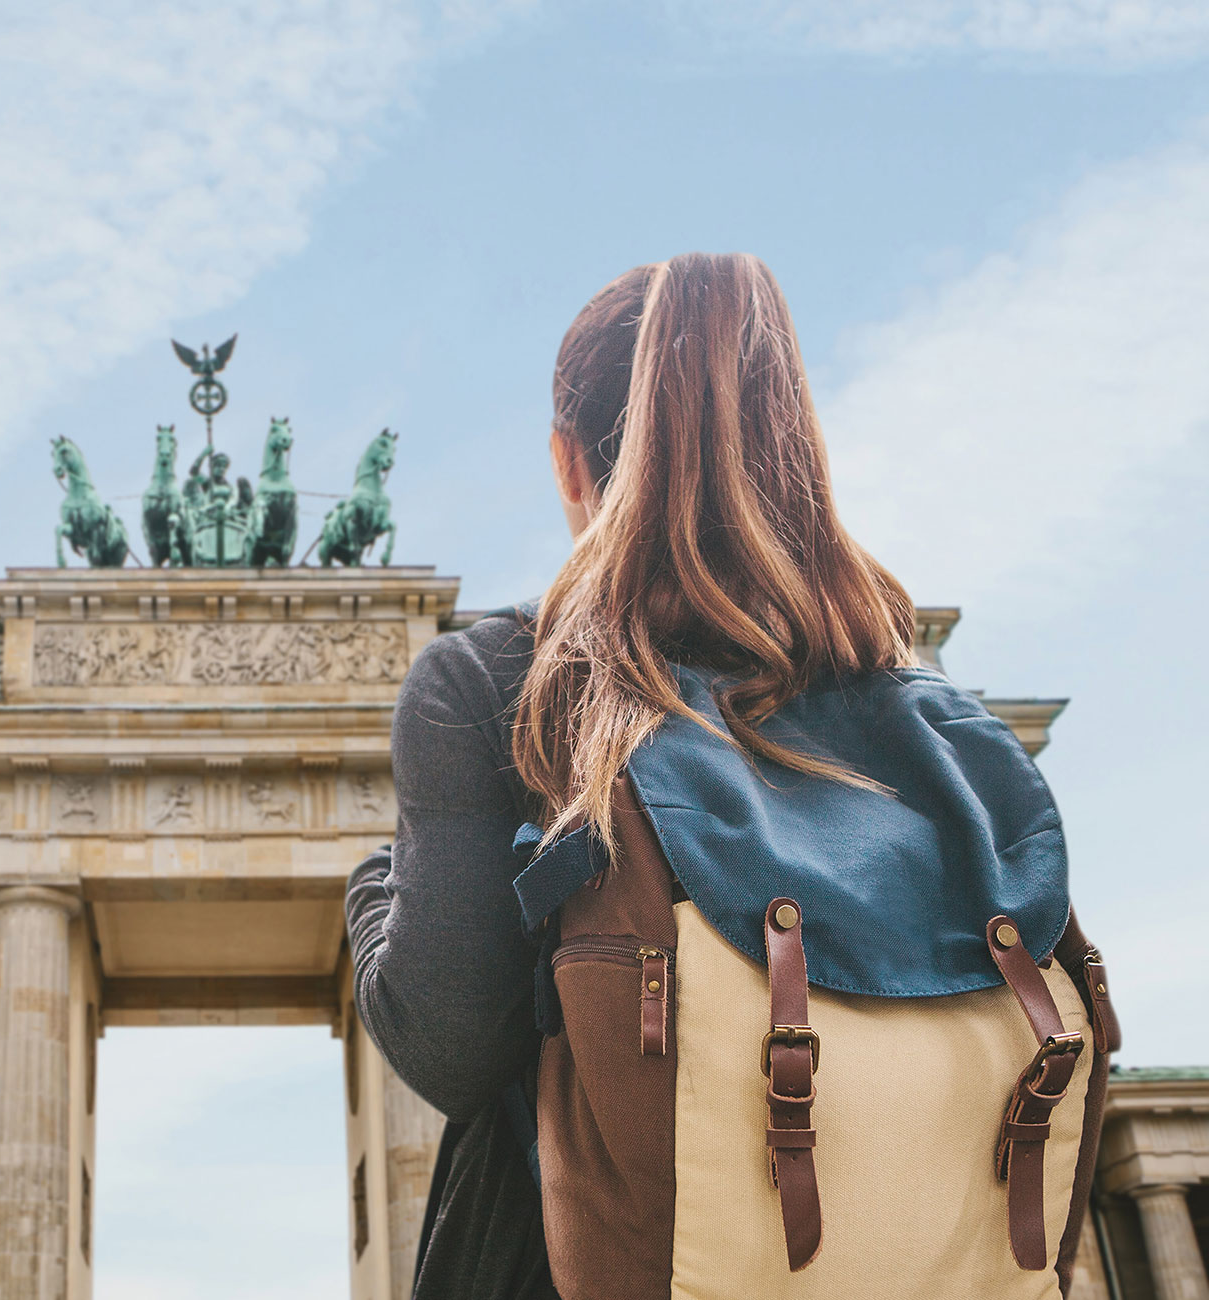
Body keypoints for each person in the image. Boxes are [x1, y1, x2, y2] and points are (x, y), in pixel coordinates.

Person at [346, 253, 1110, 1299]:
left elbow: (449, 1045)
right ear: (790, 443)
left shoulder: (503, 683)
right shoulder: (926, 715)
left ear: (570, 463)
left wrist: (372, 890)